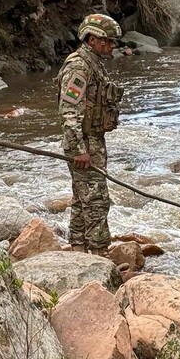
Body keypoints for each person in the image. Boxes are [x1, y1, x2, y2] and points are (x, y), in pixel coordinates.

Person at [57, 14, 124, 255]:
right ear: (92, 39)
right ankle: (98, 252)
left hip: (92, 140)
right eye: (107, 41)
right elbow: (69, 111)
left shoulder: (94, 64)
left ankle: (78, 249)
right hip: (83, 142)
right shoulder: (79, 66)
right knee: (96, 200)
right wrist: (79, 150)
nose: (112, 46)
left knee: (81, 197)